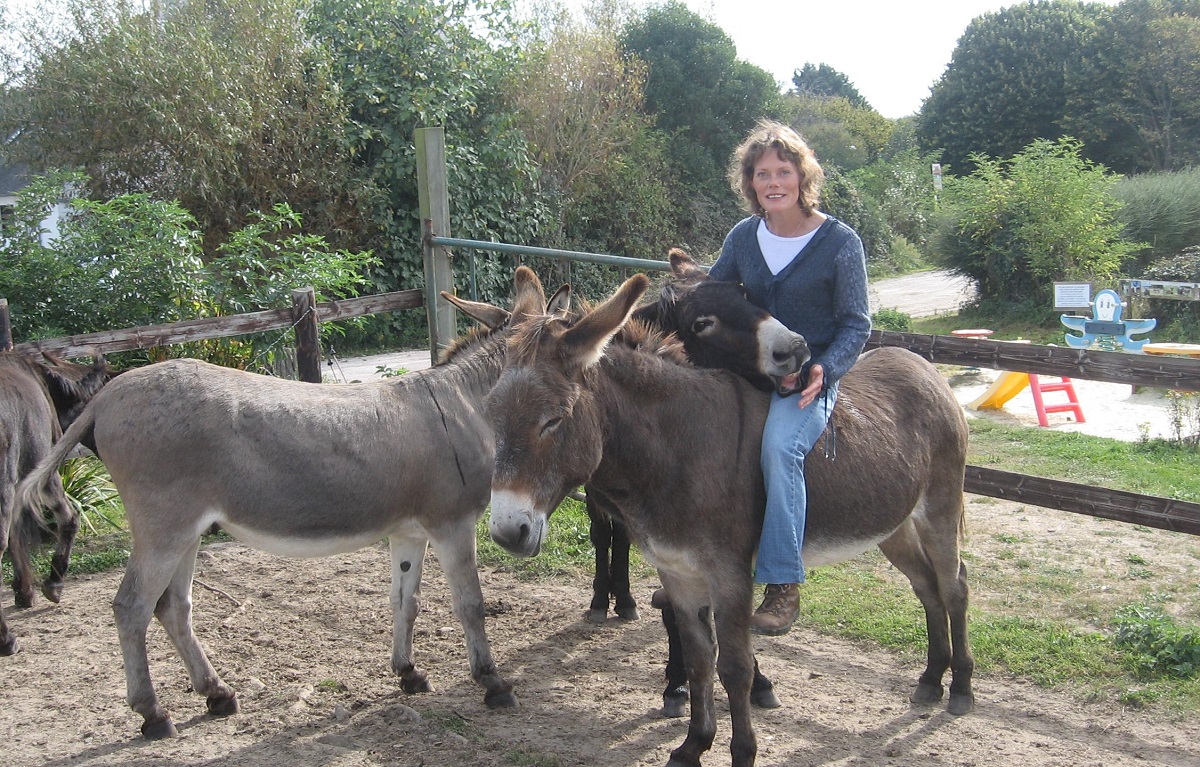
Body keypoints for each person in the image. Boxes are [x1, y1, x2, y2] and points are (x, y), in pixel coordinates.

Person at [709, 119, 871, 635]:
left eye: (783, 171)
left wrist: (827, 367)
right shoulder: (742, 237)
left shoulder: (840, 241)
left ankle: (782, 583)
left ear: (803, 176)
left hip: (809, 378)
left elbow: (855, 323)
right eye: (762, 174)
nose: (773, 182)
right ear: (750, 183)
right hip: (750, 374)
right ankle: (701, 561)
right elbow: (717, 297)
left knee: (780, 447)